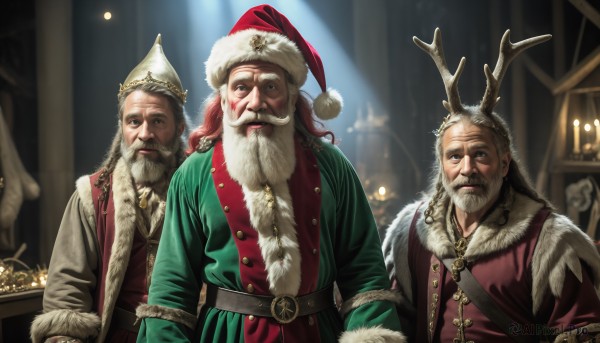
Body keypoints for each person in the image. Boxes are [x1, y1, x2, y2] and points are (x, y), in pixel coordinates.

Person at [135, 5, 406, 343]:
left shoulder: (333, 166)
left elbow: (365, 272)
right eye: (242, 87)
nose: (256, 101)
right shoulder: (193, 174)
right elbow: (172, 288)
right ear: (225, 97)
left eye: (270, 87)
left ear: (292, 97)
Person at [382, 27, 600, 343]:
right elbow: (393, 315)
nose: (467, 168)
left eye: (480, 154)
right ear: (442, 166)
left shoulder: (550, 241)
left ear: (504, 163)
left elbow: (580, 332)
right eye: (455, 156)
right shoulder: (411, 230)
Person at [30, 34, 188, 343]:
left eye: (157, 121)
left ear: (179, 128)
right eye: (134, 121)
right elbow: (67, 287)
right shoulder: (93, 196)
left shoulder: (200, 192)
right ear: (122, 127)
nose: (145, 133)